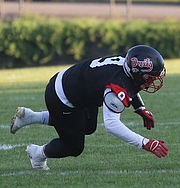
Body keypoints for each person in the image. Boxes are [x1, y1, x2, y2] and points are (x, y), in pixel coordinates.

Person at [10, 45, 168, 170]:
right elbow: (112, 124)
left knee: (88, 127)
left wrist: (139, 107)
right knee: (74, 147)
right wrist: (145, 143)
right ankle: (38, 154)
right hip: (61, 96)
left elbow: (131, 85)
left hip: (76, 85)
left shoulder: (125, 62)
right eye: (150, 78)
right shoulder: (115, 89)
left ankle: (30, 117)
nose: (152, 82)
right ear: (138, 72)